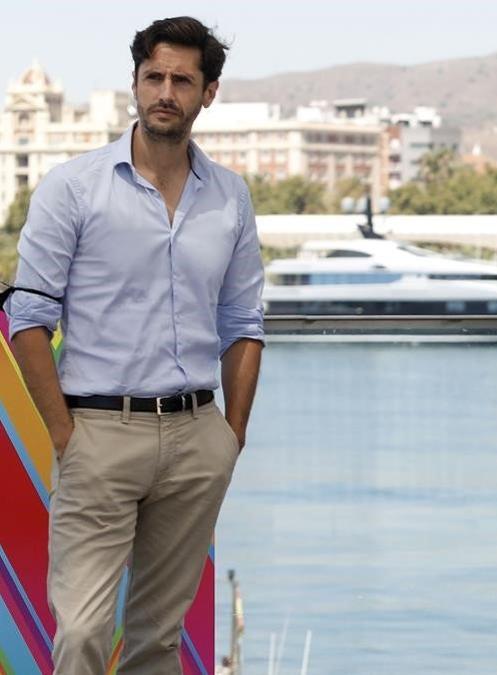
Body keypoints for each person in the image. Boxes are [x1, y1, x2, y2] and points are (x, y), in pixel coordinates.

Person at [4, 17, 264, 675]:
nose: (165, 92)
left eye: (182, 80)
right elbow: (29, 319)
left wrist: (230, 436)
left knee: (158, 642)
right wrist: (66, 435)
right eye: (155, 77)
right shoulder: (72, 187)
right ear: (135, 83)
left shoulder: (229, 197)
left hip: (195, 438)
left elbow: (244, 323)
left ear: (209, 93)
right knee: (84, 634)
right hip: (97, 432)